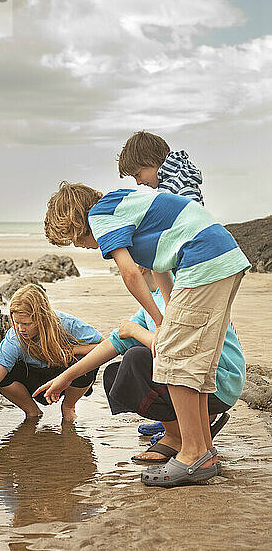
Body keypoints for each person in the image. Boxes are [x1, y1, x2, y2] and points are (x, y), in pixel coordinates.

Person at [42, 180, 250, 487]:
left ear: (76, 221)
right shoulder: (125, 205)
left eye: (75, 240)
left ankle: (191, 455)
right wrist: (166, 311)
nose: (83, 246)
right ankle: (204, 451)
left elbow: (129, 272)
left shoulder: (100, 215)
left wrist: (159, 321)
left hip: (202, 260)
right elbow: (161, 266)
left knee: (173, 359)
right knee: (196, 364)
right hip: (222, 258)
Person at [32, 268, 245, 473]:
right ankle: (181, 432)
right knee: (115, 373)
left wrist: (135, 331)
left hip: (219, 382)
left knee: (136, 360)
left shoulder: (180, 296)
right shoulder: (151, 304)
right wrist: (65, 377)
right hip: (193, 382)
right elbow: (113, 343)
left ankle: (182, 436)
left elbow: (174, 346)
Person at [0, 284, 103, 433]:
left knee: (84, 361)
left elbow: (105, 346)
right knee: (1, 374)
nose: (20, 329)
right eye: (16, 322)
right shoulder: (14, 339)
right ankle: (32, 412)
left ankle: (68, 407)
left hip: (66, 380)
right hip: (33, 382)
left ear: (42, 319)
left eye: (26, 324)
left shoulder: (66, 324)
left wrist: (73, 349)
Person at [118, 130, 204, 205]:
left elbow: (194, 215)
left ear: (150, 161)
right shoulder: (168, 182)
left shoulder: (181, 181)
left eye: (137, 174)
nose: (138, 182)